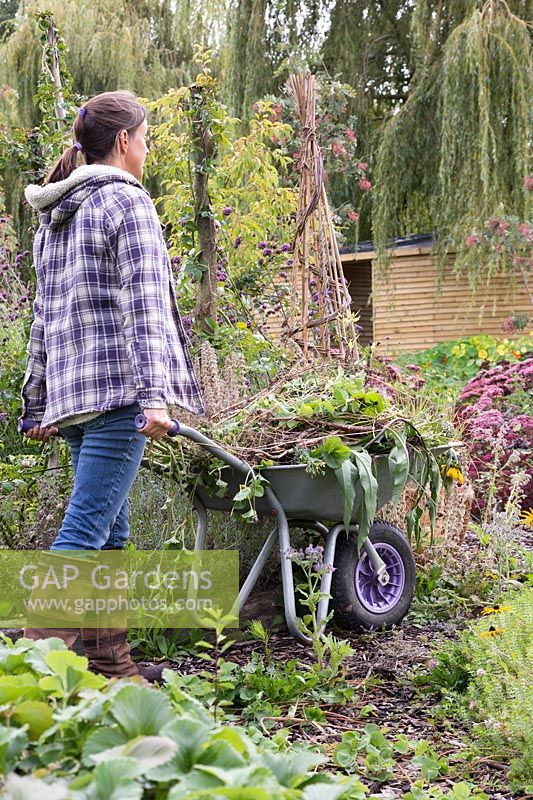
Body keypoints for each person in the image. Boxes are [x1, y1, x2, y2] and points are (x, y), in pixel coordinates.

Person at [20, 90, 204, 681]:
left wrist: (38, 398)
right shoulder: (127, 204)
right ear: (124, 142)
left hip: (75, 396)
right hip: (116, 396)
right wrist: (154, 396)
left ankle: (108, 663)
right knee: (87, 527)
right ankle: (27, 669)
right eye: (145, 138)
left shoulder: (58, 214)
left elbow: (43, 316)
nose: (147, 151)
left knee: (110, 527)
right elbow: (144, 309)